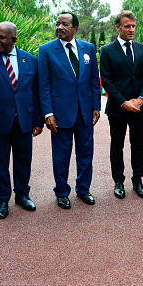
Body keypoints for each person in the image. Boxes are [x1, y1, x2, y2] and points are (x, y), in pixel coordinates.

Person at [0, 22, 42, 219]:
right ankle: (2, 200)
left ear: (14, 39)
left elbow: (35, 93)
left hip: (24, 121)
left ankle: (22, 195)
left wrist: (37, 120)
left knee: (24, 160)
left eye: (1, 37)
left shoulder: (30, 61)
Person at [38, 12, 101, 209]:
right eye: (57, 24)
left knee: (85, 153)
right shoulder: (46, 50)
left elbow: (93, 81)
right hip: (60, 114)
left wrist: (96, 106)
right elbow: (44, 85)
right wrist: (48, 113)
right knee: (61, 155)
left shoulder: (88, 48)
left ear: (75, 28)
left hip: (85, 112)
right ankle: (62, 192)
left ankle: (83, 189)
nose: (59, 27)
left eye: (64, 24)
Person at [99, 11, 143, 199]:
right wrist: (123, 102)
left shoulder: (142, 49)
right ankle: (118, 181)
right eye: (127, 26)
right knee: (117, 145)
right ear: (117, 27)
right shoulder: (106, 51)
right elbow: (106, 80)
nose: (131, 30)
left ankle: (137, 180)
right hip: (117, 108)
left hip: (140, 107)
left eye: (133, 26)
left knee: (138, 145)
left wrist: (141, 99)